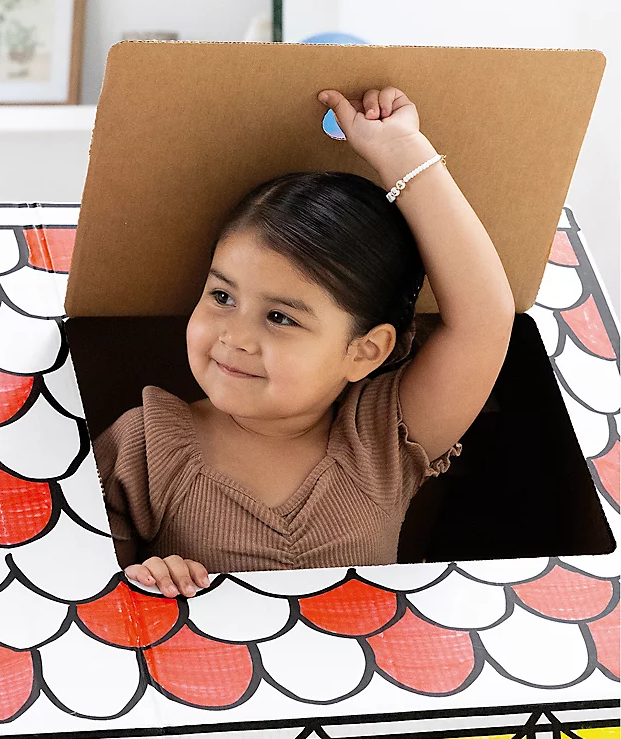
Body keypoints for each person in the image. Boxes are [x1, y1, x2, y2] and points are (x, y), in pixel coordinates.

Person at [95, 86, 515, 597]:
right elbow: (85, 585)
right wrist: (148, 576)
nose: (235, 336)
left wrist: (403, 152)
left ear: (364, 351)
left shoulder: (382, 441)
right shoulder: (146, 445)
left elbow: (484, 320)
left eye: (279, 317)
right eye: (222, 296)